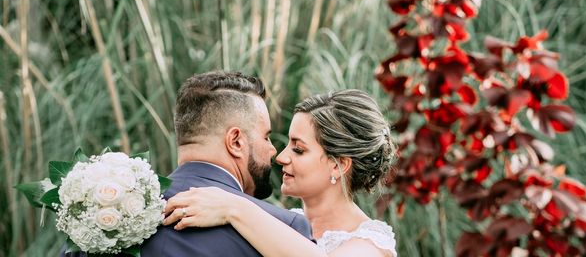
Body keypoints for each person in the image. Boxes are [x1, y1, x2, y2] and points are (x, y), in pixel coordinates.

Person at [163, 89, 397, 257]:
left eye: (298, 149)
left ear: (338, 165)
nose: (281, 157)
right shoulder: (277, 219)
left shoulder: (371, 241)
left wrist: (233, 207)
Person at [140, 70, 313, 256]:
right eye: (266, 137)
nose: (273, 151)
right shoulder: (284, 230)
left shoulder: (120, 210)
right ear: (236, 142)